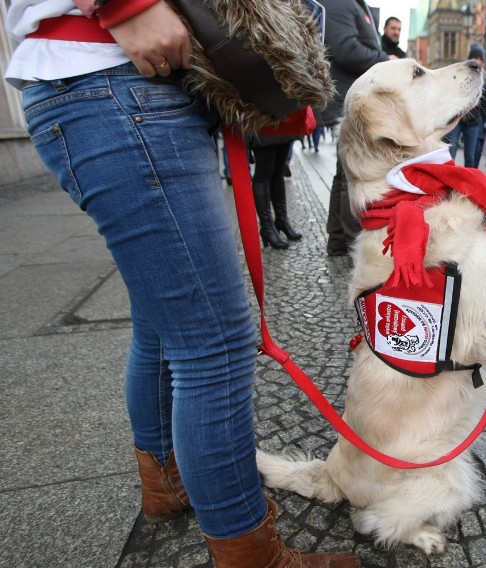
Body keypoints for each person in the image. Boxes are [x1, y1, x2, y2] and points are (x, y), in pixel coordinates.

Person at [4, 1, 360, 566]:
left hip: (98, 82)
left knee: (164, 323)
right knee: (214, 344)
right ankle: (251, 552)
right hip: (118, 81)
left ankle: (167, 481)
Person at [321, 0, 392, 256]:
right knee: (353, 175)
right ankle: (352, 243)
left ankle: (339, 239)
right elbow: (345, 49)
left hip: (349, 98)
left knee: (344, 174)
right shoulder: (341, 3)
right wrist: (385, 59)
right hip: (349, 100)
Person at [251, 138, 303, 249]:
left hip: (282, 126)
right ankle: (267, 227)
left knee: (278, 170)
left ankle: (281, 220)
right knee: (263, 173)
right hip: (263, 124)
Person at [447, 44, 486, 167]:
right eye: (476, 57)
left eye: (481, 59)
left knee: (470, 157)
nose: (478, 61)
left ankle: (468, 184)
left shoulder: (485, 84)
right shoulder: (461, 77)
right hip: (457, 120)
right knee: (451, 152)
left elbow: (485, 107)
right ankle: (449, 180)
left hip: (473, 122)